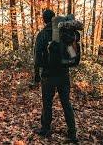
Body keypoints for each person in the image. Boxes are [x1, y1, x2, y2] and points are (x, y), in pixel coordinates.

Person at [33, 9, 78, 142]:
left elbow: (37, 58)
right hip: (64, 74)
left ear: (44, 20)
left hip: (48, 75)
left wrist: (37, 75)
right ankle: (72, 133)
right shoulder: (65, 33)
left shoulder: (42, 34)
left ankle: (45, 129)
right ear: (54, 19)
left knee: (47, 103)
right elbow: (72, 54)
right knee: (66, 103)